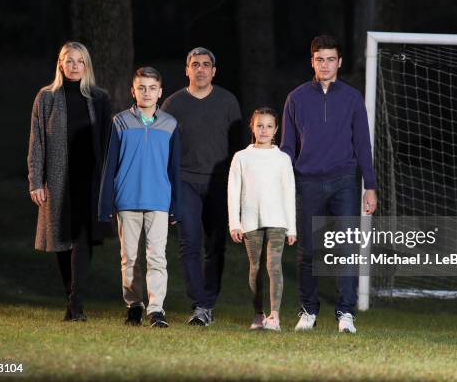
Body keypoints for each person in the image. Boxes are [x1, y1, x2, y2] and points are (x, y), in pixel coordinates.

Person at [281, 35, 377, 334]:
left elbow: (363, 144)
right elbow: (286, 148)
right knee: (307, 251)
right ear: (312, 61)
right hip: (307, 182)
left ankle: (345, 313)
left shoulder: (351, 98)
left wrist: (370, 186)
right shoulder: (295, 98)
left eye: (331, 59)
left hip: (345, 181)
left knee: (347, 248)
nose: (325, 64)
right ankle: (308, 310)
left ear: (340, 62)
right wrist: (284, 188)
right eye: (319, 59)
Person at [27, 41, 112, 321]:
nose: (74, 66)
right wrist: (35, 181)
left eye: (79, 61)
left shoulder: (99, 98)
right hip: (58, 181)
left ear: (86, 66)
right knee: (61, 240)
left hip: (90, 181)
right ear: (60, 64)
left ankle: (76, 305)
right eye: (69, 61)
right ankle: (71, 298)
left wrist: (109, 182)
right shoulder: (46, 97)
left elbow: (106, 142)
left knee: (82, 240)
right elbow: (37, 142)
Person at [161, 47, 243, 326]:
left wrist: (238, 186)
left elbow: (237, 148)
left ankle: (208, 301)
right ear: (187, 70)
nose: (200, 69)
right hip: (186, 181)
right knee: (190, 243)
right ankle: (200, 304)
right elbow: (163, 150)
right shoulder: (172, 105)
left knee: (216, 245)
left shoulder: (228, 101)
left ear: (213, 71)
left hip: (220, 183)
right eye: (195, 64)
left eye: (206, 64)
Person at [99, 67, 180, 328]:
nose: (147, 92)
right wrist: (105, 202)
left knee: (157, 257)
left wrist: (175, 204)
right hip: (127, 200)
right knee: (130, 258)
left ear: (160, 92)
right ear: (133, 91)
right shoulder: (120, 121)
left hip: (158, 200)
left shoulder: (170, 124)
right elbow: (109, 165)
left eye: (152, 88)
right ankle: (134, 306)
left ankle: (156, 310)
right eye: (141, 88)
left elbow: (174, 168)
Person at [228, 107, 296, 331]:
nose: (264, 130)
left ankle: (274, 316)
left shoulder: (282, 159)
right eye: (260, 125)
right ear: (253, 127)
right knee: (255, 267)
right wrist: (234, 223)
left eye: (269, 126)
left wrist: (292, 227)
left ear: (275, 129)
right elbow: (233, 190)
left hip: (277, 220)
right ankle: (259, 314)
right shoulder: (242, 157)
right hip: (250, 221)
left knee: (273, 265)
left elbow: (288, 192)